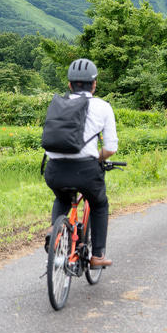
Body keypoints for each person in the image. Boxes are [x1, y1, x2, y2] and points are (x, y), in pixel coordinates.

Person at [44, 58, 118, 268]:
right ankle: (97, 256)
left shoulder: (57, 103)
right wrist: (98, 157)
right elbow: (111, 148)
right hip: (85, 170)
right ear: (94, 84)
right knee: (99, 204)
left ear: (69, 85)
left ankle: (54, 228)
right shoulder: (103, 107)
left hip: (55, 170)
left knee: (63, 195)